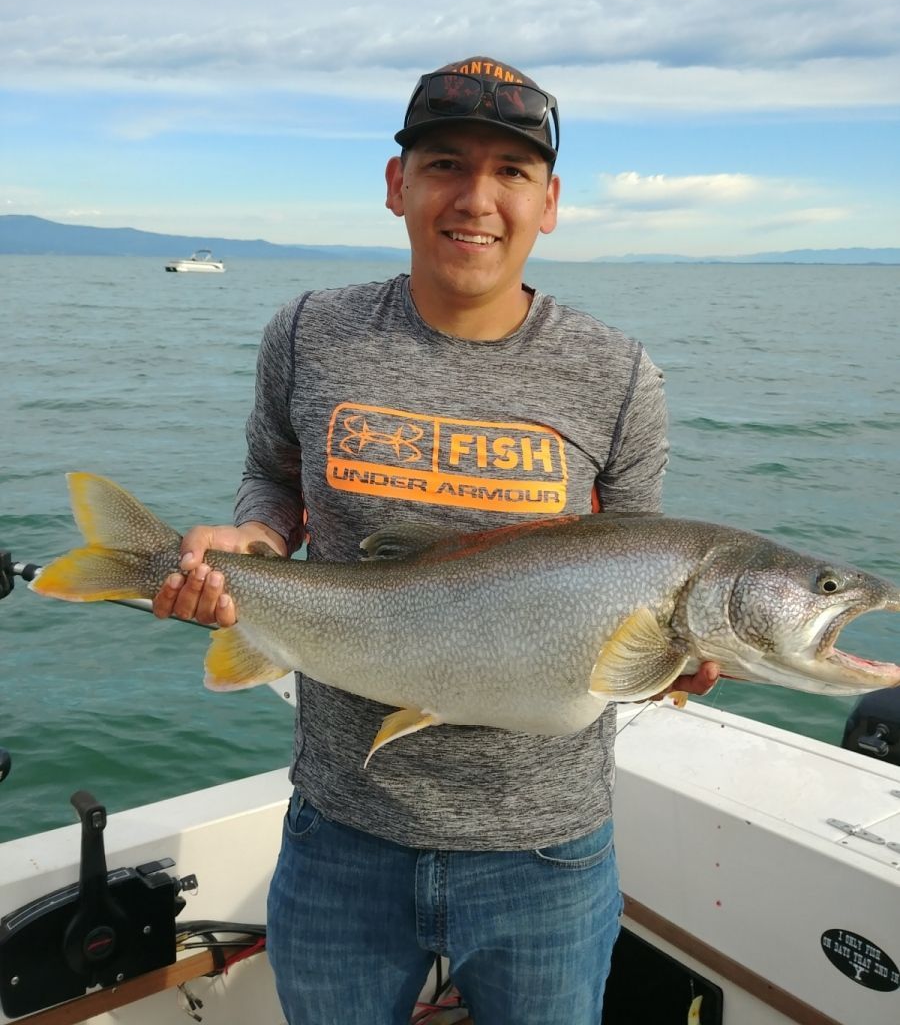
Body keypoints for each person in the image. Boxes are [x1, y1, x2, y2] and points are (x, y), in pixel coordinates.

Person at [152, 56, 718, 1025]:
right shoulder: (308, 334)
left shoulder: (620, 378)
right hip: (342, 830)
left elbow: (634, 572)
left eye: (511, 172)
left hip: (548, 855)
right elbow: (273, 478)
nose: (477, 198)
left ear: (550, 202)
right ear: (396, 185)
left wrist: (675, 658)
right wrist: (248, 538)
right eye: (446, 164)